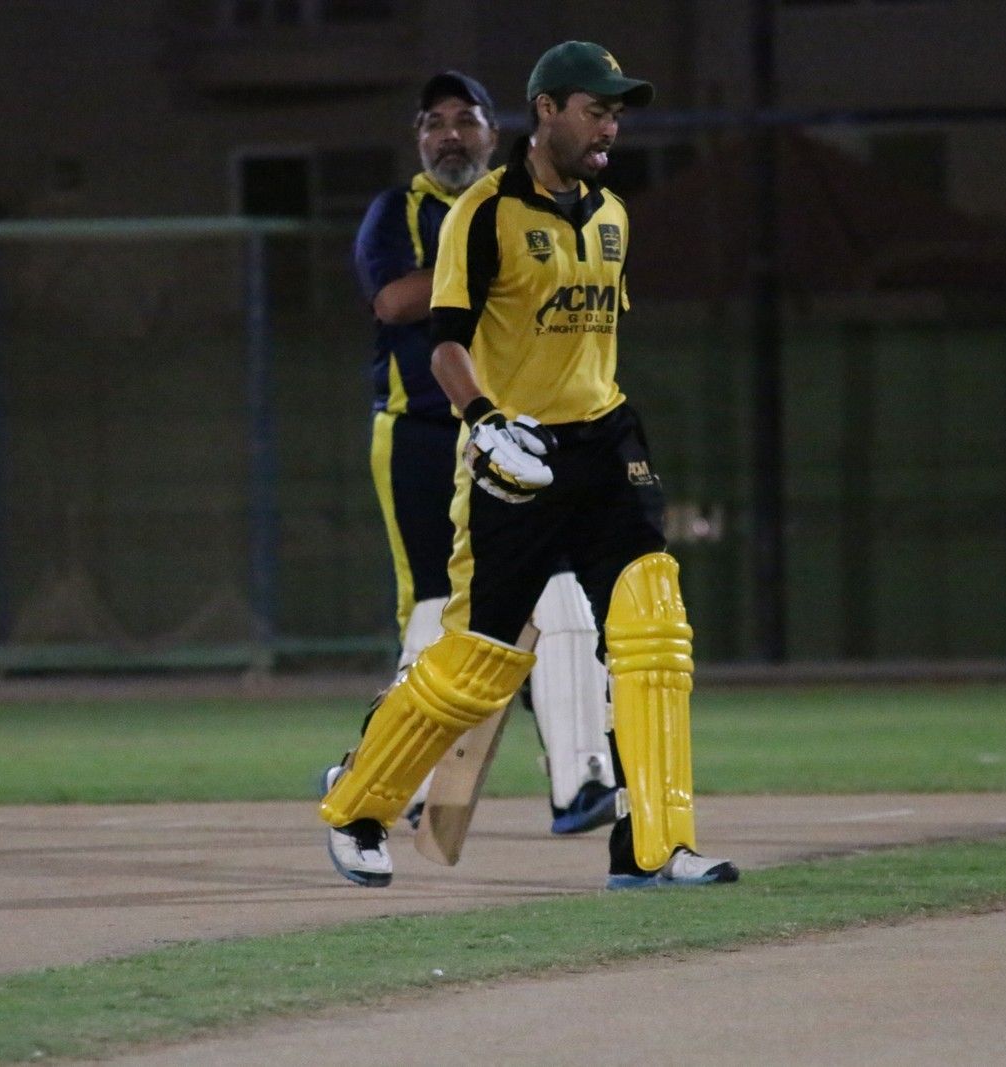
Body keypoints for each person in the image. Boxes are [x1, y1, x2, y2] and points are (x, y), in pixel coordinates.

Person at [319, 42, 738, 891]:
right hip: (517, 457)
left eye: (616, 114)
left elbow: (588, 341)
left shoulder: (613, 213)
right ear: (547, 110)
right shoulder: (482, 214)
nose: (609, 127)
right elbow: (443, 346)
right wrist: (487, 423)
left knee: (653, 630)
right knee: (478, 663)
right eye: (596, 110)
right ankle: (357, 807)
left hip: (605, 443)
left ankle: (654, 845)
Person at [340, 69, 619, 841]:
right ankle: (383, 775)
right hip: (422, 433)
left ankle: (581, 779)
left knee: (562, 602)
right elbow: (393, 300)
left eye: (465, 120)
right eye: (434, 123)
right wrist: (489, 258)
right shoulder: (399, 211)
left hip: (522, 432)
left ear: (494, 133)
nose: (450, 135)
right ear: (418, 139)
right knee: (438, 607)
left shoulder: (535, 207)